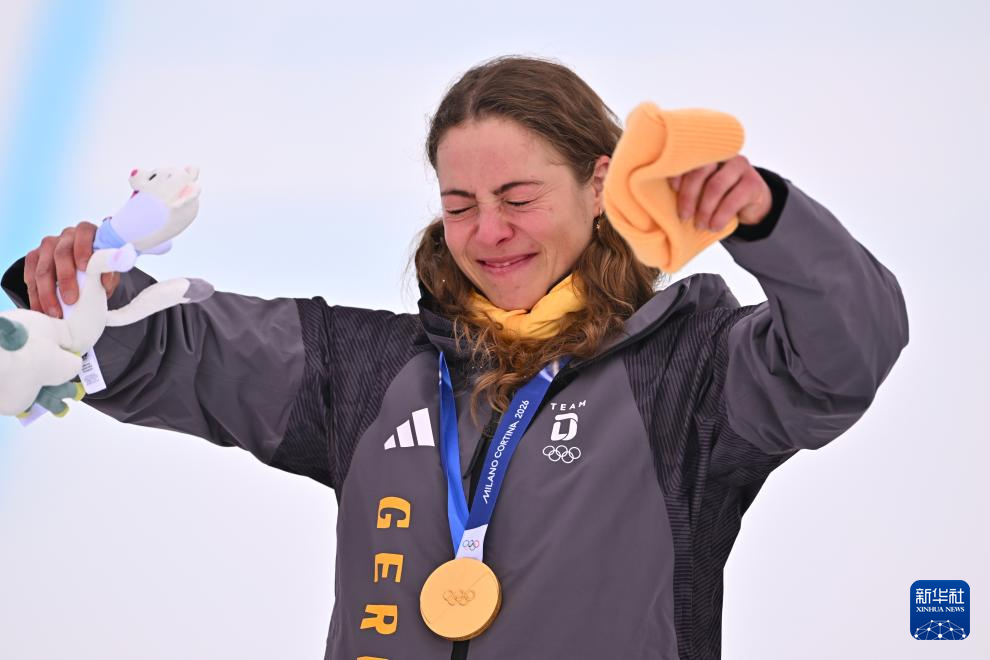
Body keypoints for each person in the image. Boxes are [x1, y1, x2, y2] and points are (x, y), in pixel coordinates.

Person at [2, 55, 909, 660]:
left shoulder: (688, 374)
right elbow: (191, 347)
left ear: (599, 185)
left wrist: (769, 221)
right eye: (460, 203)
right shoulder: (371, 371)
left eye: (518, 196)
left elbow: (845, 355)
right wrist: (81, 299)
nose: (489, 232)